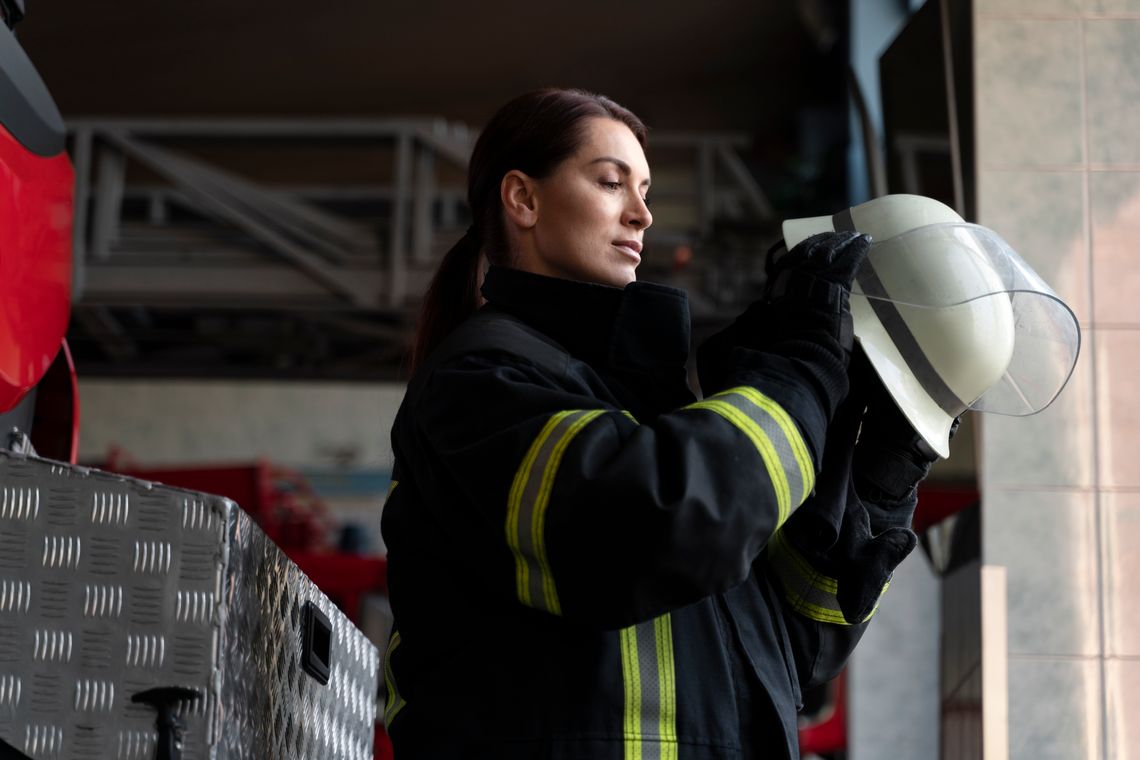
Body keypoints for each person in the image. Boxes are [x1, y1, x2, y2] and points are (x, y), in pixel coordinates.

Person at [380, 88, 939, 759]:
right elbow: (659, 526)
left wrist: (876, 480)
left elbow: (795, 654)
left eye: (645, 189)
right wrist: (800, 368)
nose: (642, 214)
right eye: (611, 182)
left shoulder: (655, 414)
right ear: (522, 200)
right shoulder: (480, 381)